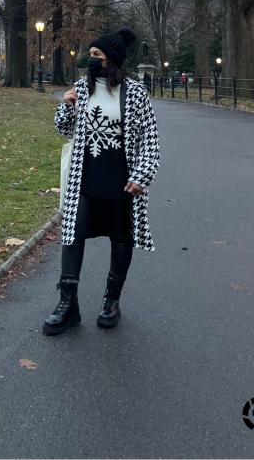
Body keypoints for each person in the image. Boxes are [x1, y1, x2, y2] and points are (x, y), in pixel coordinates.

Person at [43, 27, 160, 335]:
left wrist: (142, 175)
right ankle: (68, 305)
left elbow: (150, 139)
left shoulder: (134, 94)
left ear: (112, 61)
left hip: (122, 180)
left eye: (97, 55)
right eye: (90, 54)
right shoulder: (82, 88)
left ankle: (111, 301)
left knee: (121, 238)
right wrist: (66, 106)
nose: (90, 60)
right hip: (85, 177)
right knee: (73, 234)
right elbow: (65, 130)